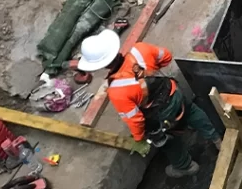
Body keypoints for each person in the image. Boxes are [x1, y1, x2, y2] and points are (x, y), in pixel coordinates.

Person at [78, 30, 220, 178]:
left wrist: (139, 139)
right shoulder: (140, 49)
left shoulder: (116, 91)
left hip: (163, 115)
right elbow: (166, 56)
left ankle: (186, 166)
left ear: (102, 66)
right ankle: (217, 139)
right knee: (192, 112)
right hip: (175, 93)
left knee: (168, 142)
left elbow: (136, 119)